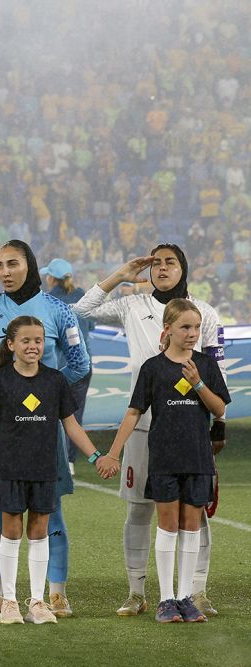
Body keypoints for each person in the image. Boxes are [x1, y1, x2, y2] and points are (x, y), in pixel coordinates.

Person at [73, 246, 228, 617]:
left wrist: (218, 427)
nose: (161, 268)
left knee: (195, 512)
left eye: (169, 262)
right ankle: (137, 591)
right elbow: (82, 310)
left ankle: (196, 591)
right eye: (155, 263)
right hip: (143, 428)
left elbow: (214, 372)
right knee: (140, 509)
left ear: (183, 268)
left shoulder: (204, 312)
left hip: (190, 429)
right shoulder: (132, 304)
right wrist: (121, 274)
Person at [0, 241, 90, 618]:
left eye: (13, 264)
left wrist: (45, 395)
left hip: (43, 433)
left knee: (50, 511)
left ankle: (54, 594)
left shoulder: (58, 309)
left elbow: (80, 363)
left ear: (31, 265)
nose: (4, 272)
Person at [0, 316, 108, 625]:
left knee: (39, 533)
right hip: (10, 469)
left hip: (44, 469)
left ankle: (37, 602)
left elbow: (71, 425)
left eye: (38, 340)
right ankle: (10, 602)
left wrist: (97, 457)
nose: (33, 346)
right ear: (11, 345)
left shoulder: (54, 380)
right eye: (26, 341)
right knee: (11, 532)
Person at [100, 299, 230, 623]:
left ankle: (186, 598)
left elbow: (219, 409)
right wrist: (113, 454)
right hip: (164, 459)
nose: (192, 333)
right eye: (185, 327)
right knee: (168, 527)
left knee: (190, 528)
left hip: (198, 459)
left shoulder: (206, 365)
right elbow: (133, 413)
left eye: (197, 328)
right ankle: (166, 600)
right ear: (168, 329)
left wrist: (199, 382)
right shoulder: (153, 368)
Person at [39, 259, 93, 466]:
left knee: (50, 413)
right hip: (83, 365)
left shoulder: (47, 300)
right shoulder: (82, 297)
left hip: (58, 367)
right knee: (75, 415)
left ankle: (55, 458)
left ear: (51, 278)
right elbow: (91, 327)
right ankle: (69, 462)